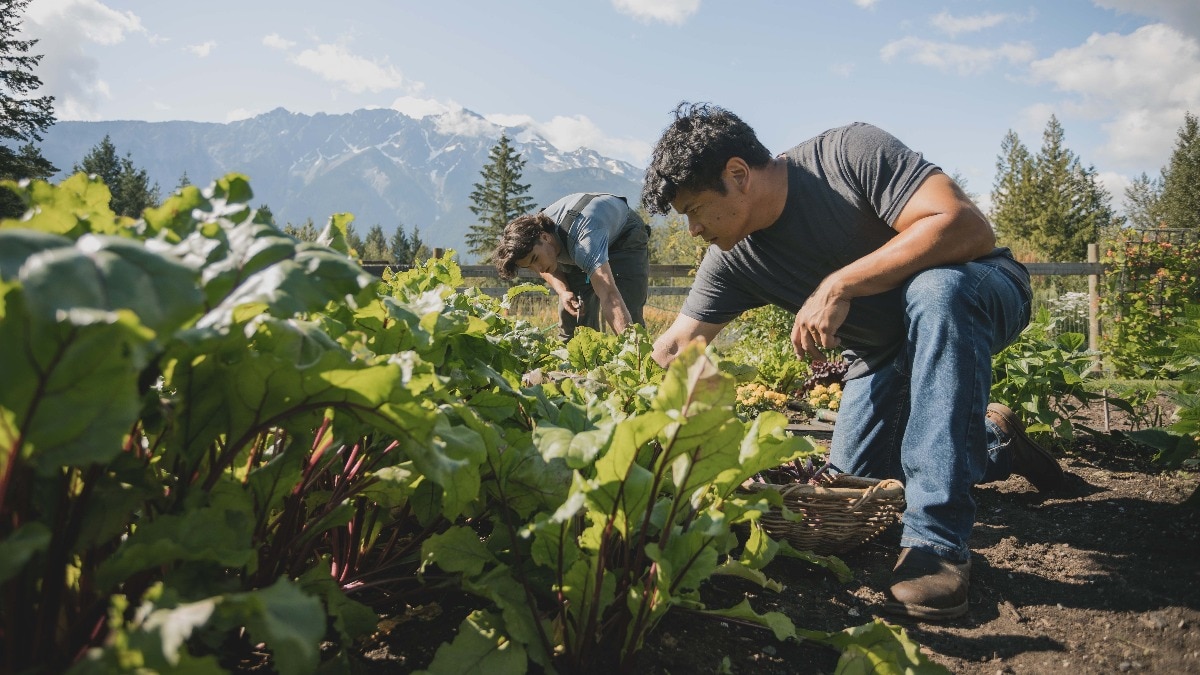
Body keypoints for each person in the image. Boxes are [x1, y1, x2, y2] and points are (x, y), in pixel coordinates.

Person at [641, 102, 1065, 620]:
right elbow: (677, 347)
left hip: (976, 290)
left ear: (738, 175)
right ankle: (994, 441)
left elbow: (966, 227)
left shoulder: (846, 155)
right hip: (884, 355)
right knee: (854, 493)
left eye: (695, 209)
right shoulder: (732, 259)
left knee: (936, 291)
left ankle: (937, 544)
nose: (692, 230)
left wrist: (839, 283)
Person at [495, 192, 650, 339]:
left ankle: (639, 362)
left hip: (624, 238)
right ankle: (582, 364)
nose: (539, 270)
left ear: (545, 237)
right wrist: (563, 291)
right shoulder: (537, 233)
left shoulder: (584, 242)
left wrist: (633, 352)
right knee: (573, 320)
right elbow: (546, 268)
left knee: (629, 313)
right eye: (529, 267)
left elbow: (609, 295)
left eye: (535, 259)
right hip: (577, 243)